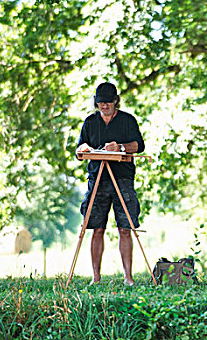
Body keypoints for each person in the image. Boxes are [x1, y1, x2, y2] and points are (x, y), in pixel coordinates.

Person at [76, 82, 145, 286]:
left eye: (108, 102)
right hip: (97, 177)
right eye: (100, 103)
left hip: (122, 178)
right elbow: (79, 149)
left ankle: (128, 278)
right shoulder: (90, 122)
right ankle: (95, 278)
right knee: (96, 228)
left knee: (125, 227)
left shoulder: (127, 120)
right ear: (96, 103)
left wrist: (120, 147)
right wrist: (84, 149)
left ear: (116, 101)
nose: (104, 106)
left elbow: (139, 146)